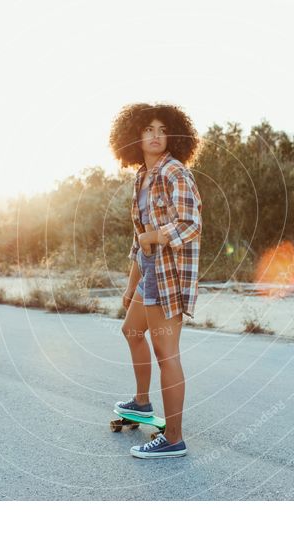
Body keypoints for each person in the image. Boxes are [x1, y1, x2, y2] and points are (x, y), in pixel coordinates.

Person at [108, 103, 202, 459]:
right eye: (148, 129)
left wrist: (155, 238)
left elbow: (191, 225)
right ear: (135, 136)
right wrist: (131, 284)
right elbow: (139, 238)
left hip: (169, 277)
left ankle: (173, 438)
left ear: (173, 135)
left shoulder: (174, 172)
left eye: (163, 129)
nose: (156, 135)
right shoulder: (141, 178)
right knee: (131, 331)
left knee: (166, 354)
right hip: (148, 274)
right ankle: (143, 403)